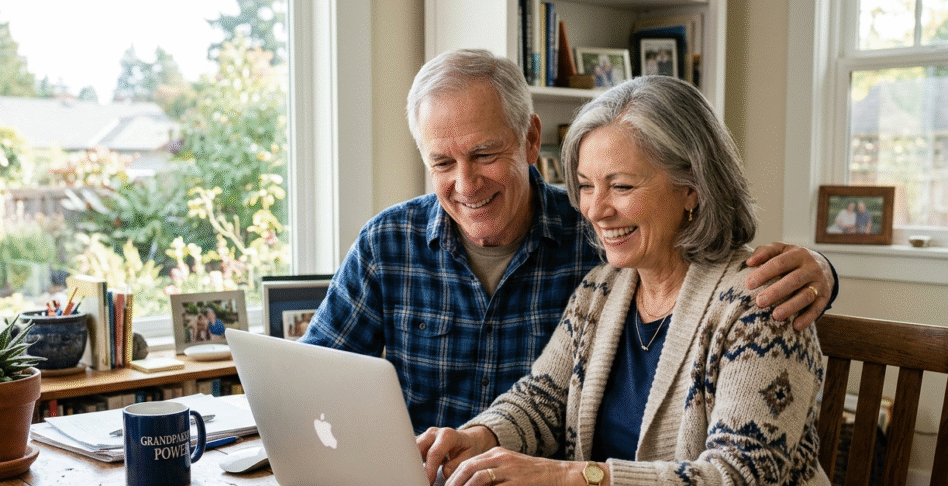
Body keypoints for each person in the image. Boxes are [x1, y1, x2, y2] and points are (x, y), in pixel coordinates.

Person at [300, 48, 837, 435]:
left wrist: (822, 270)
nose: (465, 184)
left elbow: (715, 266)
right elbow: (313, 378)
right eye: (442, 163)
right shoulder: (389, 242)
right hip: (436, 484)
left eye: (485, 154)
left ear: (531, 140)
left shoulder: (601, 244)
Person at [417, 75, 845, 486]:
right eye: (584, 186)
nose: (597, 210)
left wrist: (568, 477)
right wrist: (480, 437)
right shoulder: (601, 289)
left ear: (692, 188)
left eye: (620, 185)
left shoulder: (762, 306)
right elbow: (541, 399)